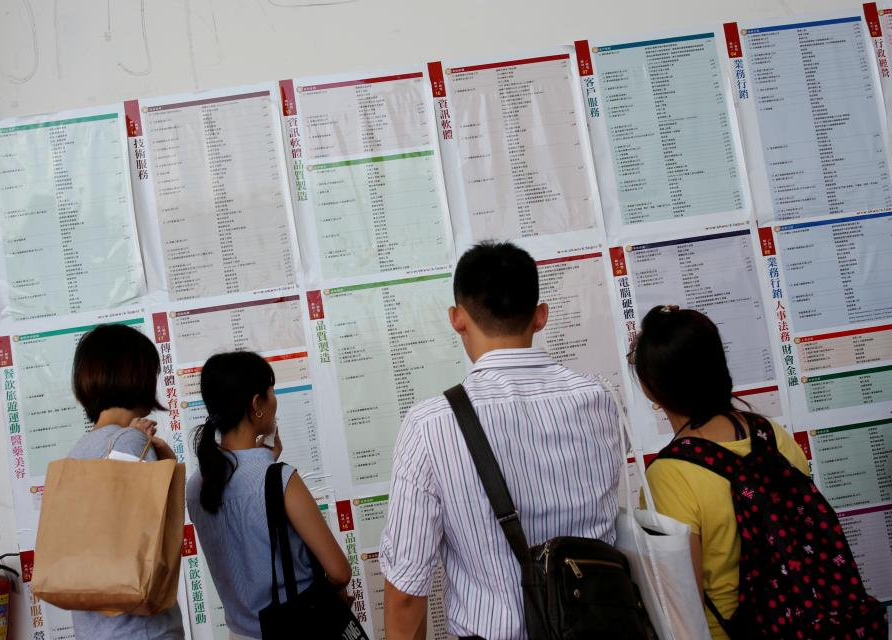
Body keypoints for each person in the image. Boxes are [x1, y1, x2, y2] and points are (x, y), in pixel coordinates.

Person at [380, 241, 621, 640]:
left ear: (457, 319)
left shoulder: (431, 424)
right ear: (540, 316)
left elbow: (406, 592)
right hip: (599, 630)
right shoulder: (600, 399)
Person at [632, 305, 810, 639]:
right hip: (805, 626)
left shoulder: (668, 477)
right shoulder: (771, 435)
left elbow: (681, 609)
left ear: (650, 388)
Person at [186, 351, 352, 640]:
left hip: (239, 633)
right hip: (295, 630)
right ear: (256, 404)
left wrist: (265, 463)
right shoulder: (281, 480)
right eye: (271, 391)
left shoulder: (197, 484)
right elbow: (340, 572)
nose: (275, 399)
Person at [68, 323, 184, 640]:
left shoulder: (78, 451)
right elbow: (150, 536)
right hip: (140, 630)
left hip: (95, 630)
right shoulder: (130, 443)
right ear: (139, 377)